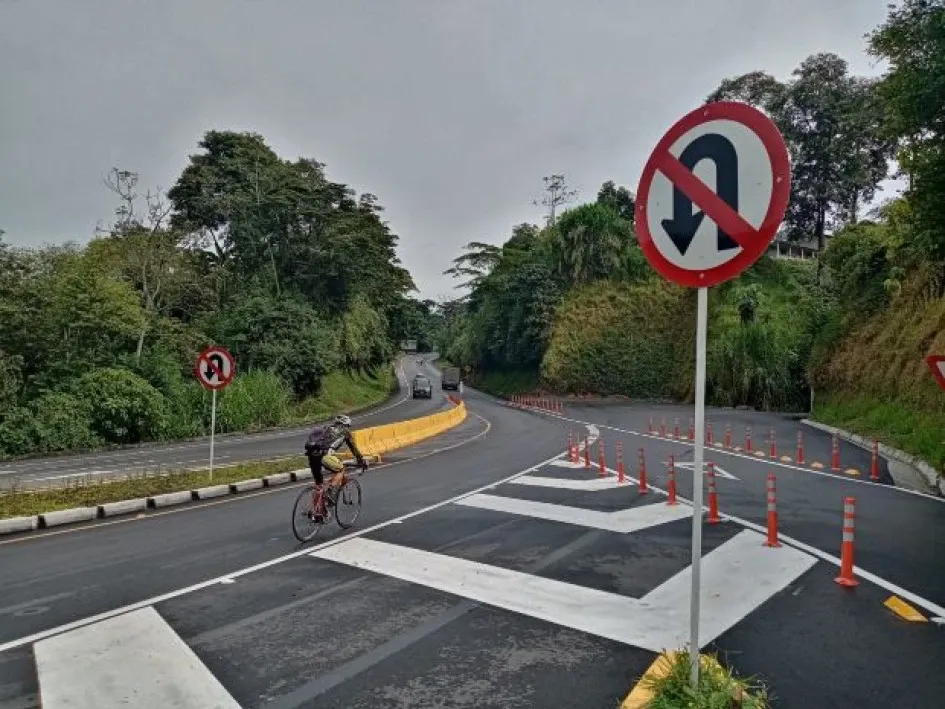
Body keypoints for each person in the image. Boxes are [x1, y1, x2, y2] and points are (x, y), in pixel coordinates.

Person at [303, 414, 367, 520]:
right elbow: (354, 449)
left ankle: (317, 512)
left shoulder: (325, 429)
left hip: (312, 456)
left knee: (319, 485)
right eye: (348, 426)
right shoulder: (345, 432)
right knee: (341, 469)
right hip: (325, 455)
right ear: (346, 425)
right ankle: (332, 489)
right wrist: (361, 461)